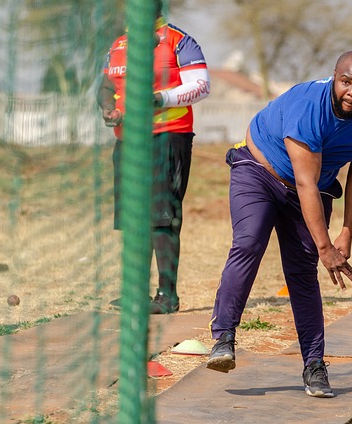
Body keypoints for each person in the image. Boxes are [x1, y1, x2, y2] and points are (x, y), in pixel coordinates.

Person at [205, 51, 352, 398]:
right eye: (346, 82)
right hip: (259, 171)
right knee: (249, 242)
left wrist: (347, 232)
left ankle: (314, 366)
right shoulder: (309, 106)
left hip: (312, 187)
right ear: (334, 76)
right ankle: (224, 338)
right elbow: (305, 181)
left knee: (303, 271)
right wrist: (326, 247)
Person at [96, 0, 210, 314]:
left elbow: (201, 86)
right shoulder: (119, 44)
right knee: (134, 220)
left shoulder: (179, 41)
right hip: (129, 141)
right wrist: (108, 108)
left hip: (168, 137)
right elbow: (106, 86)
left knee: (162, 218)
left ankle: (167, 296)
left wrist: (160, 98)